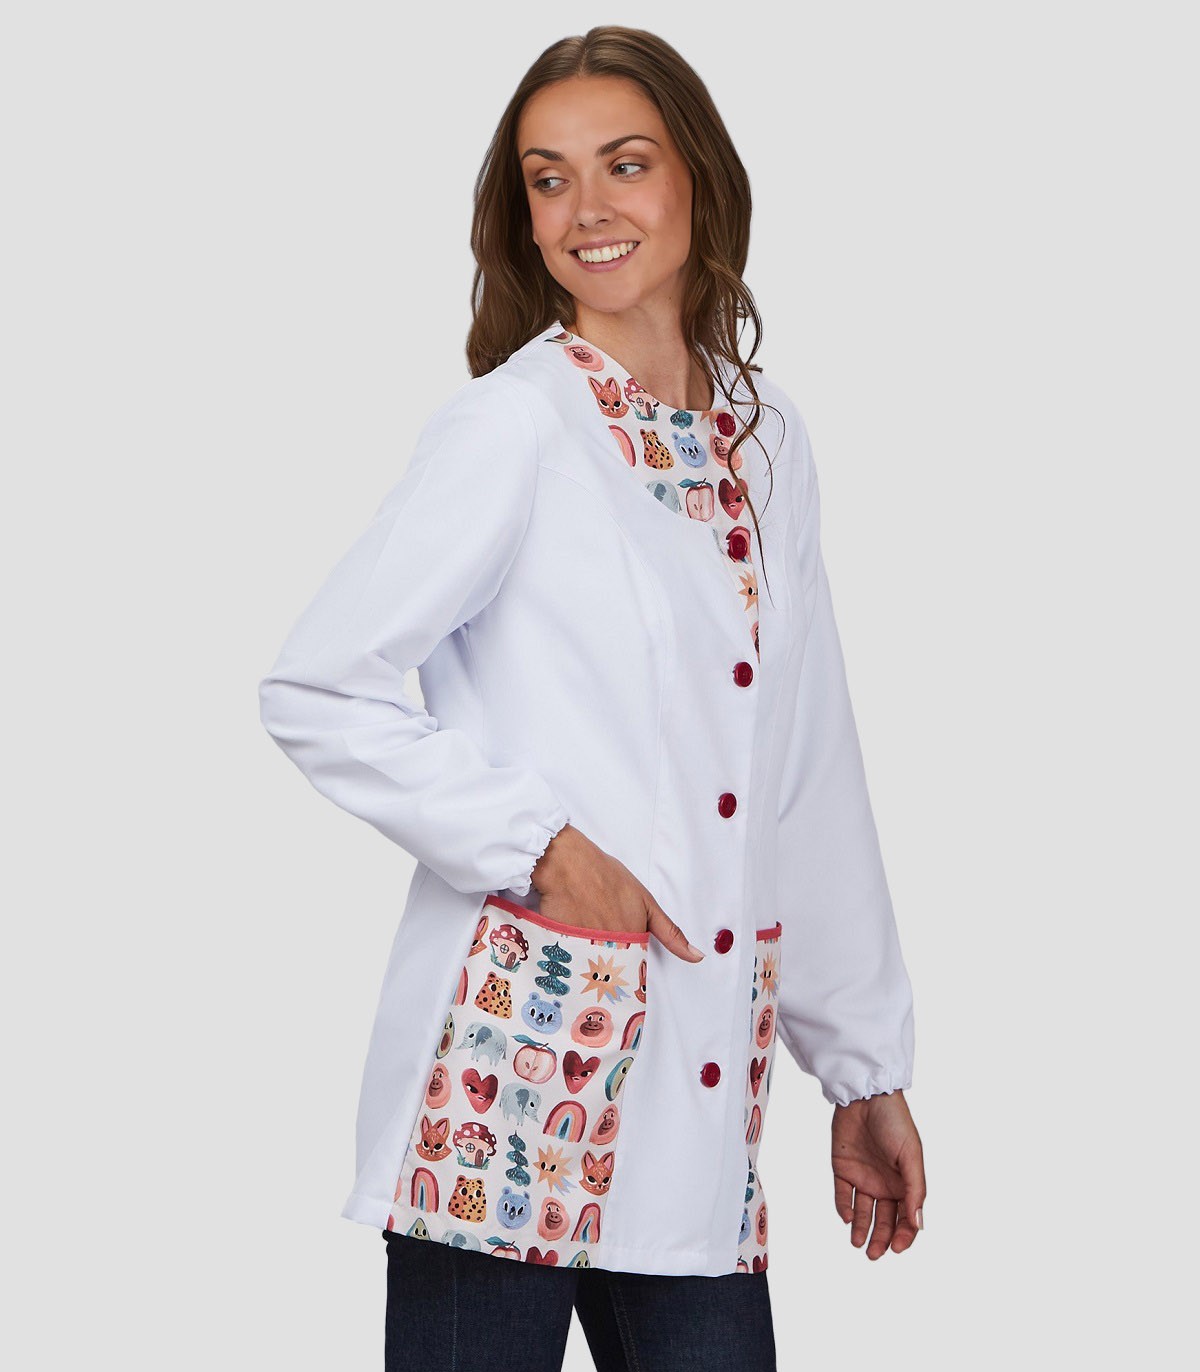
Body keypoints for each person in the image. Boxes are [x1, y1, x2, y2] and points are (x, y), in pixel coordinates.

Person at [258, 24, 926, 1372]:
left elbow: (807, 763)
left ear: (698, 180)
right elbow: (318, 685)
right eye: (548, 179)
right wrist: (541, 847)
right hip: (508, 1086)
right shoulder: (514, 425)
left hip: (697, 1110)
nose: (586, 210)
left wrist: (861, 1067)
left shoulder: (766, 441)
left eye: (624, 164)